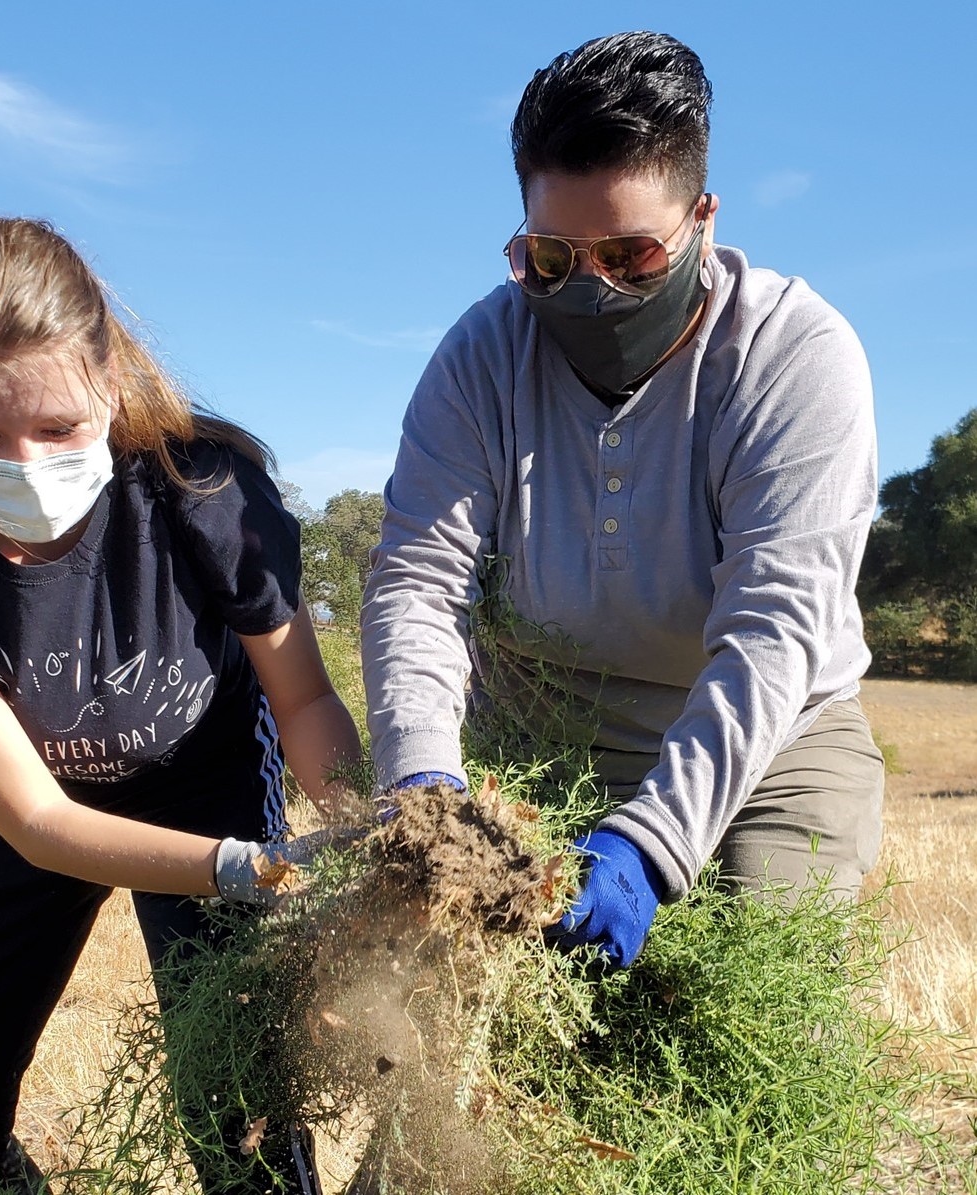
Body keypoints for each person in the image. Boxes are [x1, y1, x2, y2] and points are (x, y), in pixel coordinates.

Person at [0, 208, 361, 1193]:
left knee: (240, 1119)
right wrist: (247, 870)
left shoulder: (204, 487)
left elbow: (305, 704)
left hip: (207, 781)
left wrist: (373, 839)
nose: (27, 468)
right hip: (30, 807)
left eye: (60, 428)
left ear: (109, 383)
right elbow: (35, 817)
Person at [360, 31, 883, 972]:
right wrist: (425, 793)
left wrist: (651, 842)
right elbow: (416, 583)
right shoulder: (479, 357)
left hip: (771, 737)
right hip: (543, 725)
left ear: (704, 220)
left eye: (632, 254)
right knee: (522, 1054)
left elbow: (775, 630)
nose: (591, 290)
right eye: (552, 258)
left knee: (770, 1002)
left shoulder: (794, 355)